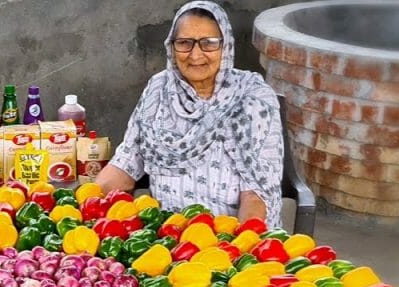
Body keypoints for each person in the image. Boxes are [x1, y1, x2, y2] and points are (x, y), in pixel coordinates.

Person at [96, 0, 284, 227]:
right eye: (184, 43)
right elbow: (126, 162)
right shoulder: (159, 89)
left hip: (227, 235)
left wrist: (241, 244)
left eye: (209, 43)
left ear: (226, 46)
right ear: (171, 47)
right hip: (165, 233)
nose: (195, 55)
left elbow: (256, 193)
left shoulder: (252, 98)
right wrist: (83, 202)